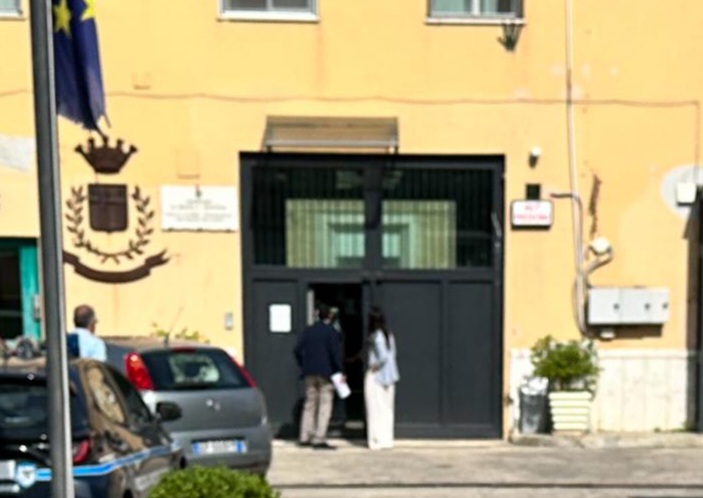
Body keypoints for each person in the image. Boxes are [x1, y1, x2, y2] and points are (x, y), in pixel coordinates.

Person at [294, 303, 344, 450]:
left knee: (309, 404)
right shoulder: (331, 332)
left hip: (309, 372)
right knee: (324, 404)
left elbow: (297, 350)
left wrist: (304, 364)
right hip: (326, 373)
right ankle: (319, 438)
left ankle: (305, 436)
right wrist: (339, 370)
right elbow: (335, 353)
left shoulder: (308, 331)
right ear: (329, 315)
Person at [364, 306, 400, 450]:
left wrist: (374, 366)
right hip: (390, 376)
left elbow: (383, 356)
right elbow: (391, 355)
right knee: (387, 409)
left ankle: (376, 440)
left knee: (374, 409)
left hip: (377, 376)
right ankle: (387, 439)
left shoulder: (376, 336)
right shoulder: (388, 335)